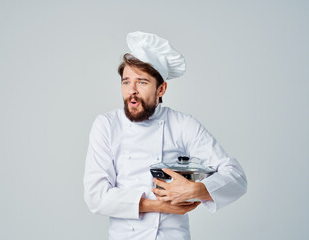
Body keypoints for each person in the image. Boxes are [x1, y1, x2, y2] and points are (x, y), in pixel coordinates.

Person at [84, 31, 247, 240]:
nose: (131, 90)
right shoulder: (107, 125)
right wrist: (159, 206)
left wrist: (195, 190)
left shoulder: (182, 125)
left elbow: (236, 177)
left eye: (142, 82)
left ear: (161, 89)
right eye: (126, 82)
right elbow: (95, 197)